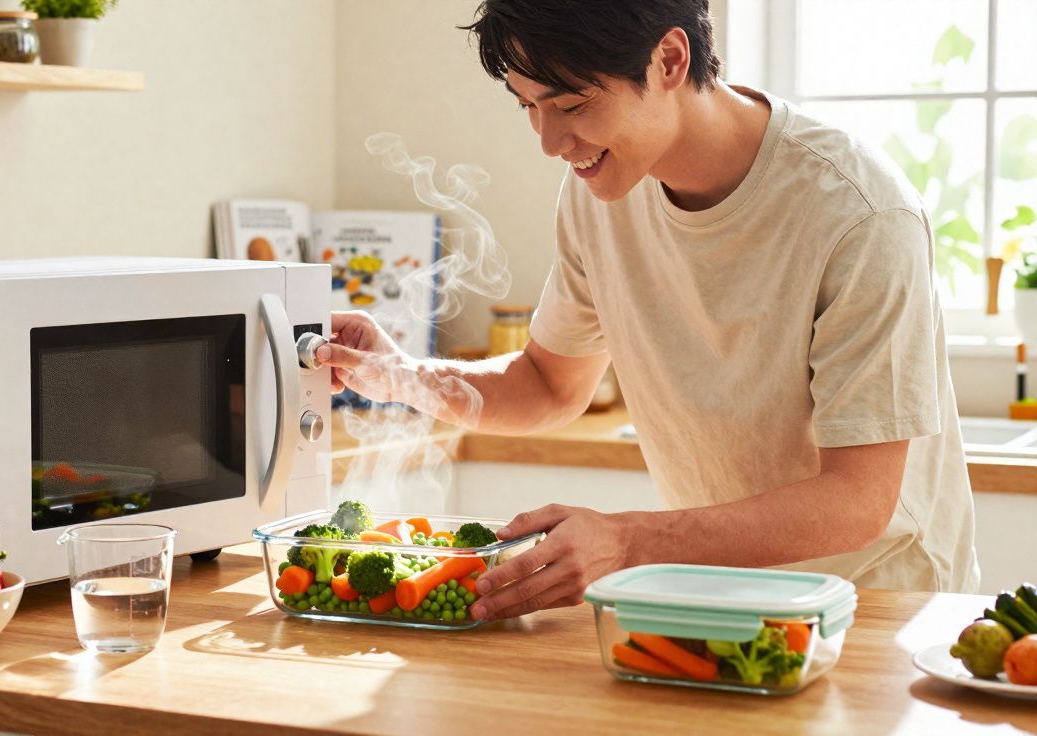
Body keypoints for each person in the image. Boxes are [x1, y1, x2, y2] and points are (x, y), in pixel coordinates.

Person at [315, 0, 980, 622]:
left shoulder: (857, 212)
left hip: (876, 607)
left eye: (571, 103)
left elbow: (857, 501)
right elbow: (548, 384)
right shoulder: (599, 191)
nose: (550, 141)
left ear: (669, 60)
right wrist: (400, 377)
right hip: (718, 593)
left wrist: (628, 542)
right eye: (529, 107)